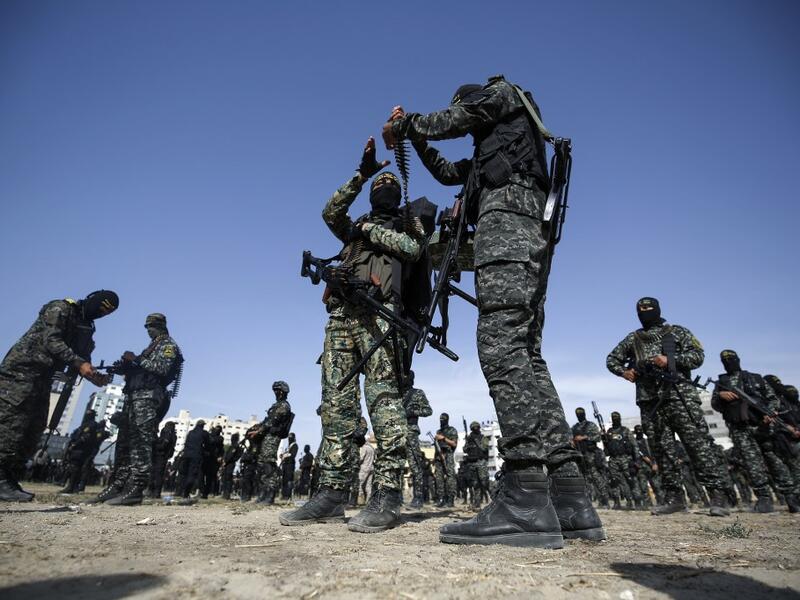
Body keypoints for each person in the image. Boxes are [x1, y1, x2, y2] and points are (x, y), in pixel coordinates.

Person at [383, 76, 602, 546]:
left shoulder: (501, 94)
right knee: (526, 354)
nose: (464, 117)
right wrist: (416, 141)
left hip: (507, 223)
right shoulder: (494, 151)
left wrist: (407, 127)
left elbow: (454, 119)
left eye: (464, 110)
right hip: (523, 228)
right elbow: (445, 172)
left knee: (501, 345)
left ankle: (525, 495)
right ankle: (568, 495)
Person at [280, 139, 425, 533]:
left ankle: (388, 493)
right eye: (379, 187)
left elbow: (413, 248)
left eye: (388, 187)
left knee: (383, 401)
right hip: (342, 316)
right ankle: (330, 493)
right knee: (336, 406)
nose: (384, 190)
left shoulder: (405, 223)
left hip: (380, 317)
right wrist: (362, 175)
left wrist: (369, 229)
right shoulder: (353, 228)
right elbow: (331, 211)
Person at [607, 297, 733, 517]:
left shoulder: (677, 332)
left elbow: (698, 356)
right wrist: (625, 372)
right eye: (640, 309)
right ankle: (674, 498)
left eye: (648, 308)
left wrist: (670, 361)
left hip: (679, 396)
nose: (644, 311)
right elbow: (611, 359)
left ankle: (717, 495)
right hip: (650, 401)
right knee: (662, 449)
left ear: (658, 310)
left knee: (697, 445)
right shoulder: (633, 338)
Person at [0, 290, 117, 501]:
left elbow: (83, 356)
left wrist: (94, 376)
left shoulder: (86, 326)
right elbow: (51, 340)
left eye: (106, 313)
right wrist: (80, 363)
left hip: (45, 377)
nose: (100, 314)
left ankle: (8, 478)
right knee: (12, 426)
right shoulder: (60, 308)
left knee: (33, 428)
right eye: (100, 308)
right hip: (22, 372)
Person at [105, 313, 183, 506]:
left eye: (152, 326)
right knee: (126, 443)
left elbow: (161, 369)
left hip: (149, 397)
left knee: (141, 441)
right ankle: (119, 485)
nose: (148, 329)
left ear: (161, 326)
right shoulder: (152, 346)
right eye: (146, 326)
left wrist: (137, 360)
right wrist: (125, 367)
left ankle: (136, 489)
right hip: (135, 396)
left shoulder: (168, 345)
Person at [710, 350, 799, 513]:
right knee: (753, 465)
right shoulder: (721, 382)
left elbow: (773, 399)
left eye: (731, 359)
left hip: (763, 426)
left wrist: (770, 413)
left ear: (738, 360)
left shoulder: (756, 378)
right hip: (740, 430)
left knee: (775, 461)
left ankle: (792, 497)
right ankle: (764, 498)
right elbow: (715, 405)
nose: (729, 362)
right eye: (725, 360)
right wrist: (720, 395)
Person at [252, 381, 293, 505]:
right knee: (262, 465)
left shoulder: (284, 406)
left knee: (268, 465)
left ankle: (269, 496)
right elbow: (267, 421)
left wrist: (259, 431)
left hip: (272, 437)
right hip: (266, 436)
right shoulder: (277, 405)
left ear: (283, 392)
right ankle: (262, 494)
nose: (275, 393)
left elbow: (272, 422)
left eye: (277, 390)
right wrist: (256, 428)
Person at [402, 371, 432, 509]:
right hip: (395, 433)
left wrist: (414, 412)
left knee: (415, 465)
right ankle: (395, 497)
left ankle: (418, 498)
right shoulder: (396, 393)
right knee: (394, 465)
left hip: (411, 432)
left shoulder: (417, 393)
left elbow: (428, 410)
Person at [571, 407, 610, 507]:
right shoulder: (574, 427)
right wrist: (573, 442)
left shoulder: (591, 425)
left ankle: (604, 500)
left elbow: (597, 437)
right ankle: (589, 501)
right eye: (577, 414)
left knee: (596, 477)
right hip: (580, 455)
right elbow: (570, 440)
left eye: (581, 413)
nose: (579, 415)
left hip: (591, 454)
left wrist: (584, 437)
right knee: (585, 479)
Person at [603, 412, 641, 510]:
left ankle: (637, 501)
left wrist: (637, 460)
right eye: (613, 418)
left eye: (617, 417)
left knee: (630, 480)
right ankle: (617, 502)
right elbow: (606, 446)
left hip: (625, 458)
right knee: (614, 481)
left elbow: (634, 445)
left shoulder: (625, 430)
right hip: (613, 459)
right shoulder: (609, 432)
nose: (615, 419)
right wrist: (604, 438)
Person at [60, 410, 98, 494]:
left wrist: (75, 444)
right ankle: (72, 486)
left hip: (82, 449)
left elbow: (85, 436)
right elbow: (75, 434)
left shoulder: (92, 424)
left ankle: (72, 487)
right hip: (77, 449)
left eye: (89, 414)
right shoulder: (83, 425)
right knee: (73, 467)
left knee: (75, 468)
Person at [433, 413, 459, 508]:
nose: (441, 421)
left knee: (450, 478)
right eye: (440, 419)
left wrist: (443, 438)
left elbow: (454, 444)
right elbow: (436, 445)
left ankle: (450, 499)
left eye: (443, 419)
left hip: (448, 455)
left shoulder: (452, 430)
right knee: (439, 478)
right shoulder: (438, 431)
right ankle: (441, 499)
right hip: (439, 456)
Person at [462, 421, 490, 509]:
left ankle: (495, 498)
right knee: (475, 484)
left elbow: (484, 448)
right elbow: (465, 450)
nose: (475, 429)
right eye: (473, 428)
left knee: (484, 481)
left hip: (481, 462)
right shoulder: (469, 438)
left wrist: (475, 440)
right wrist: (467, 441)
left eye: (476, 427)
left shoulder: (483, 438)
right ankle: (477, 503)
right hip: (472, 463)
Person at [179, 420, 208, 500]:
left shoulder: (190, 432)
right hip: (196, 456)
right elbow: (208, 444)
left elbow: (186, 443)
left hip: (186, 455)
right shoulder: (204, 433)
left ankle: (181, 491)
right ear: (203, 425)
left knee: (185, 474)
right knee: (192, 474)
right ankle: (186, 494)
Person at [633, 424, 662, 506]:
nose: (639, 432)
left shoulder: (648, 441)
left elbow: (653, 453)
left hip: (651, 466)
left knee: (656, 485)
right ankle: (648, 504)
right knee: (643, 487)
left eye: (640, 430)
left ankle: (661, 501)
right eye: (637, 431)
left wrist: (654, 463)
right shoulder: (634, 443)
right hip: (640, 467)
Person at [150, 421, 177, 498]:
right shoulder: (171, 435)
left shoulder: (168, 434)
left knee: (157, 474)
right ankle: (154, 491)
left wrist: (155, 445)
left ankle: (155, 492)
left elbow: (163, 446)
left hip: (161, 455)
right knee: (157, 473)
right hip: (162, 456)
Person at [202, 425, 224, 498]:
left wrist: (220, 457)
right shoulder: (209, 435)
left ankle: (208, 492)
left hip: (214, 459)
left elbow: (217, 443)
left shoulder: (220, 438)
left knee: (211, 477)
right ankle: (202, 490)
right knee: (202, 475)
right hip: (206, 457)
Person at [221, 433, 243, 500]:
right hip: (228, 463)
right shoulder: (233, 446)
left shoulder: (235, 446)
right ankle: (225, 493)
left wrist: (225, 462)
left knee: (227, 478)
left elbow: (231, 455)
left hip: (230, 464)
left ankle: (226, 494)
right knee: (225, 478)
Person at [280, 433, 299, 500]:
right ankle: (283, 495)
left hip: (290, 465)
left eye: (291, 437)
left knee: (289, 480)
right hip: (285, 465)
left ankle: (288, 496)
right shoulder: (288, 446)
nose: (289, 439)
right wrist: (282, 455)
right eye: (289, 437)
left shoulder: (295, 445)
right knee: (284, 480)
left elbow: (293, 455)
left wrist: (286, 455)